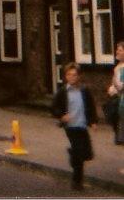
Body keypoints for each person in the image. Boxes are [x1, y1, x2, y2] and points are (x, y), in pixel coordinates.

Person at [51, 62, 97, 191]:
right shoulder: (63, 92)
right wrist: (61, 116)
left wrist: (93, 122)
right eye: (69, 75)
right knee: (79, 154)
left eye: (75, 75)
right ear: (66, 76)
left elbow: (91, 106)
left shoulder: (84, 91)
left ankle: (72, 154)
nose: (72, 77)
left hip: (82, 125)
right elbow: (53, 107)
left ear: (79, 76)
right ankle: (77, 182)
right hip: (71, 127)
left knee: (87, 153)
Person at [108, 40, 124, 144]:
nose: (117, 52)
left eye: (120, 50)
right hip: (118, 98)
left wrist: (116, 87)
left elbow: (121, 85)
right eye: (117, 50)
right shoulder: (117, 67)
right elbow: (114, 83)